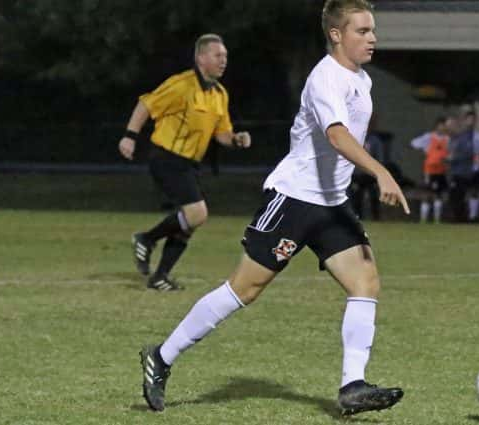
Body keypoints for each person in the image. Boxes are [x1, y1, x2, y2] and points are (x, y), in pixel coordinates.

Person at [138, 0, 407, 416]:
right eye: (362, 31)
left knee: (365, 284)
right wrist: (381, 172)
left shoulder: (362, 80)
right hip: (294, 201)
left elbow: (345, 142)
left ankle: (352, 386)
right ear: (336, 34)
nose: (372, 38)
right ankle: (162, 355)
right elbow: (336, 136)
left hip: (333, 205)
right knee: (243, 290)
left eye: (372, 30)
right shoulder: (325, 79)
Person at [118, 34, 252, 291]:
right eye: (217, 55)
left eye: (225, 56)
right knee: (197, 214)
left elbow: (221, 134)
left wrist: (236, 140)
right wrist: (130, 136)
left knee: (190, 220)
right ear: (201, 58)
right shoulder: (182, 85)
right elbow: (146, 104)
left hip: (189, 164)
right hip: (166, 157)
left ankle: (159, 276)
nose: (224, 61)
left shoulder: (219, 94)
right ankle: (146, 239)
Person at [350, 114, 392, 220]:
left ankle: (376, 218)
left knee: (374, 196)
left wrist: (378, 172)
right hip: (357, 173)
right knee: (356, 197)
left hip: (370, 174)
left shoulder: (374, 140)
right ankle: (357, 217)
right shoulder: (354, 138)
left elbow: (380, 158)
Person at [447, 109, 479, 222]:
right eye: (468, 119)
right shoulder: (457, 137)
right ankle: (459, 217)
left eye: (473, 120)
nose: (471, 122)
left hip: (470, 170)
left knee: (471, 193)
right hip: (459, 170)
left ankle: (470, 217)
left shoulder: (476, 137)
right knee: (457, 195)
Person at [411, 116, 452, 223]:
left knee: (438, 195)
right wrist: (424, 152)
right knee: (427, 194)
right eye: (442, 125)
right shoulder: (429, 137)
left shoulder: (447, 139)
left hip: (441, 170)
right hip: (429, 170)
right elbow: (414, 143)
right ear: (437, 126)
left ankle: (437, 220)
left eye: (445, 126)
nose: (443, 128)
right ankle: (423, 220)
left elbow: (450, 153)